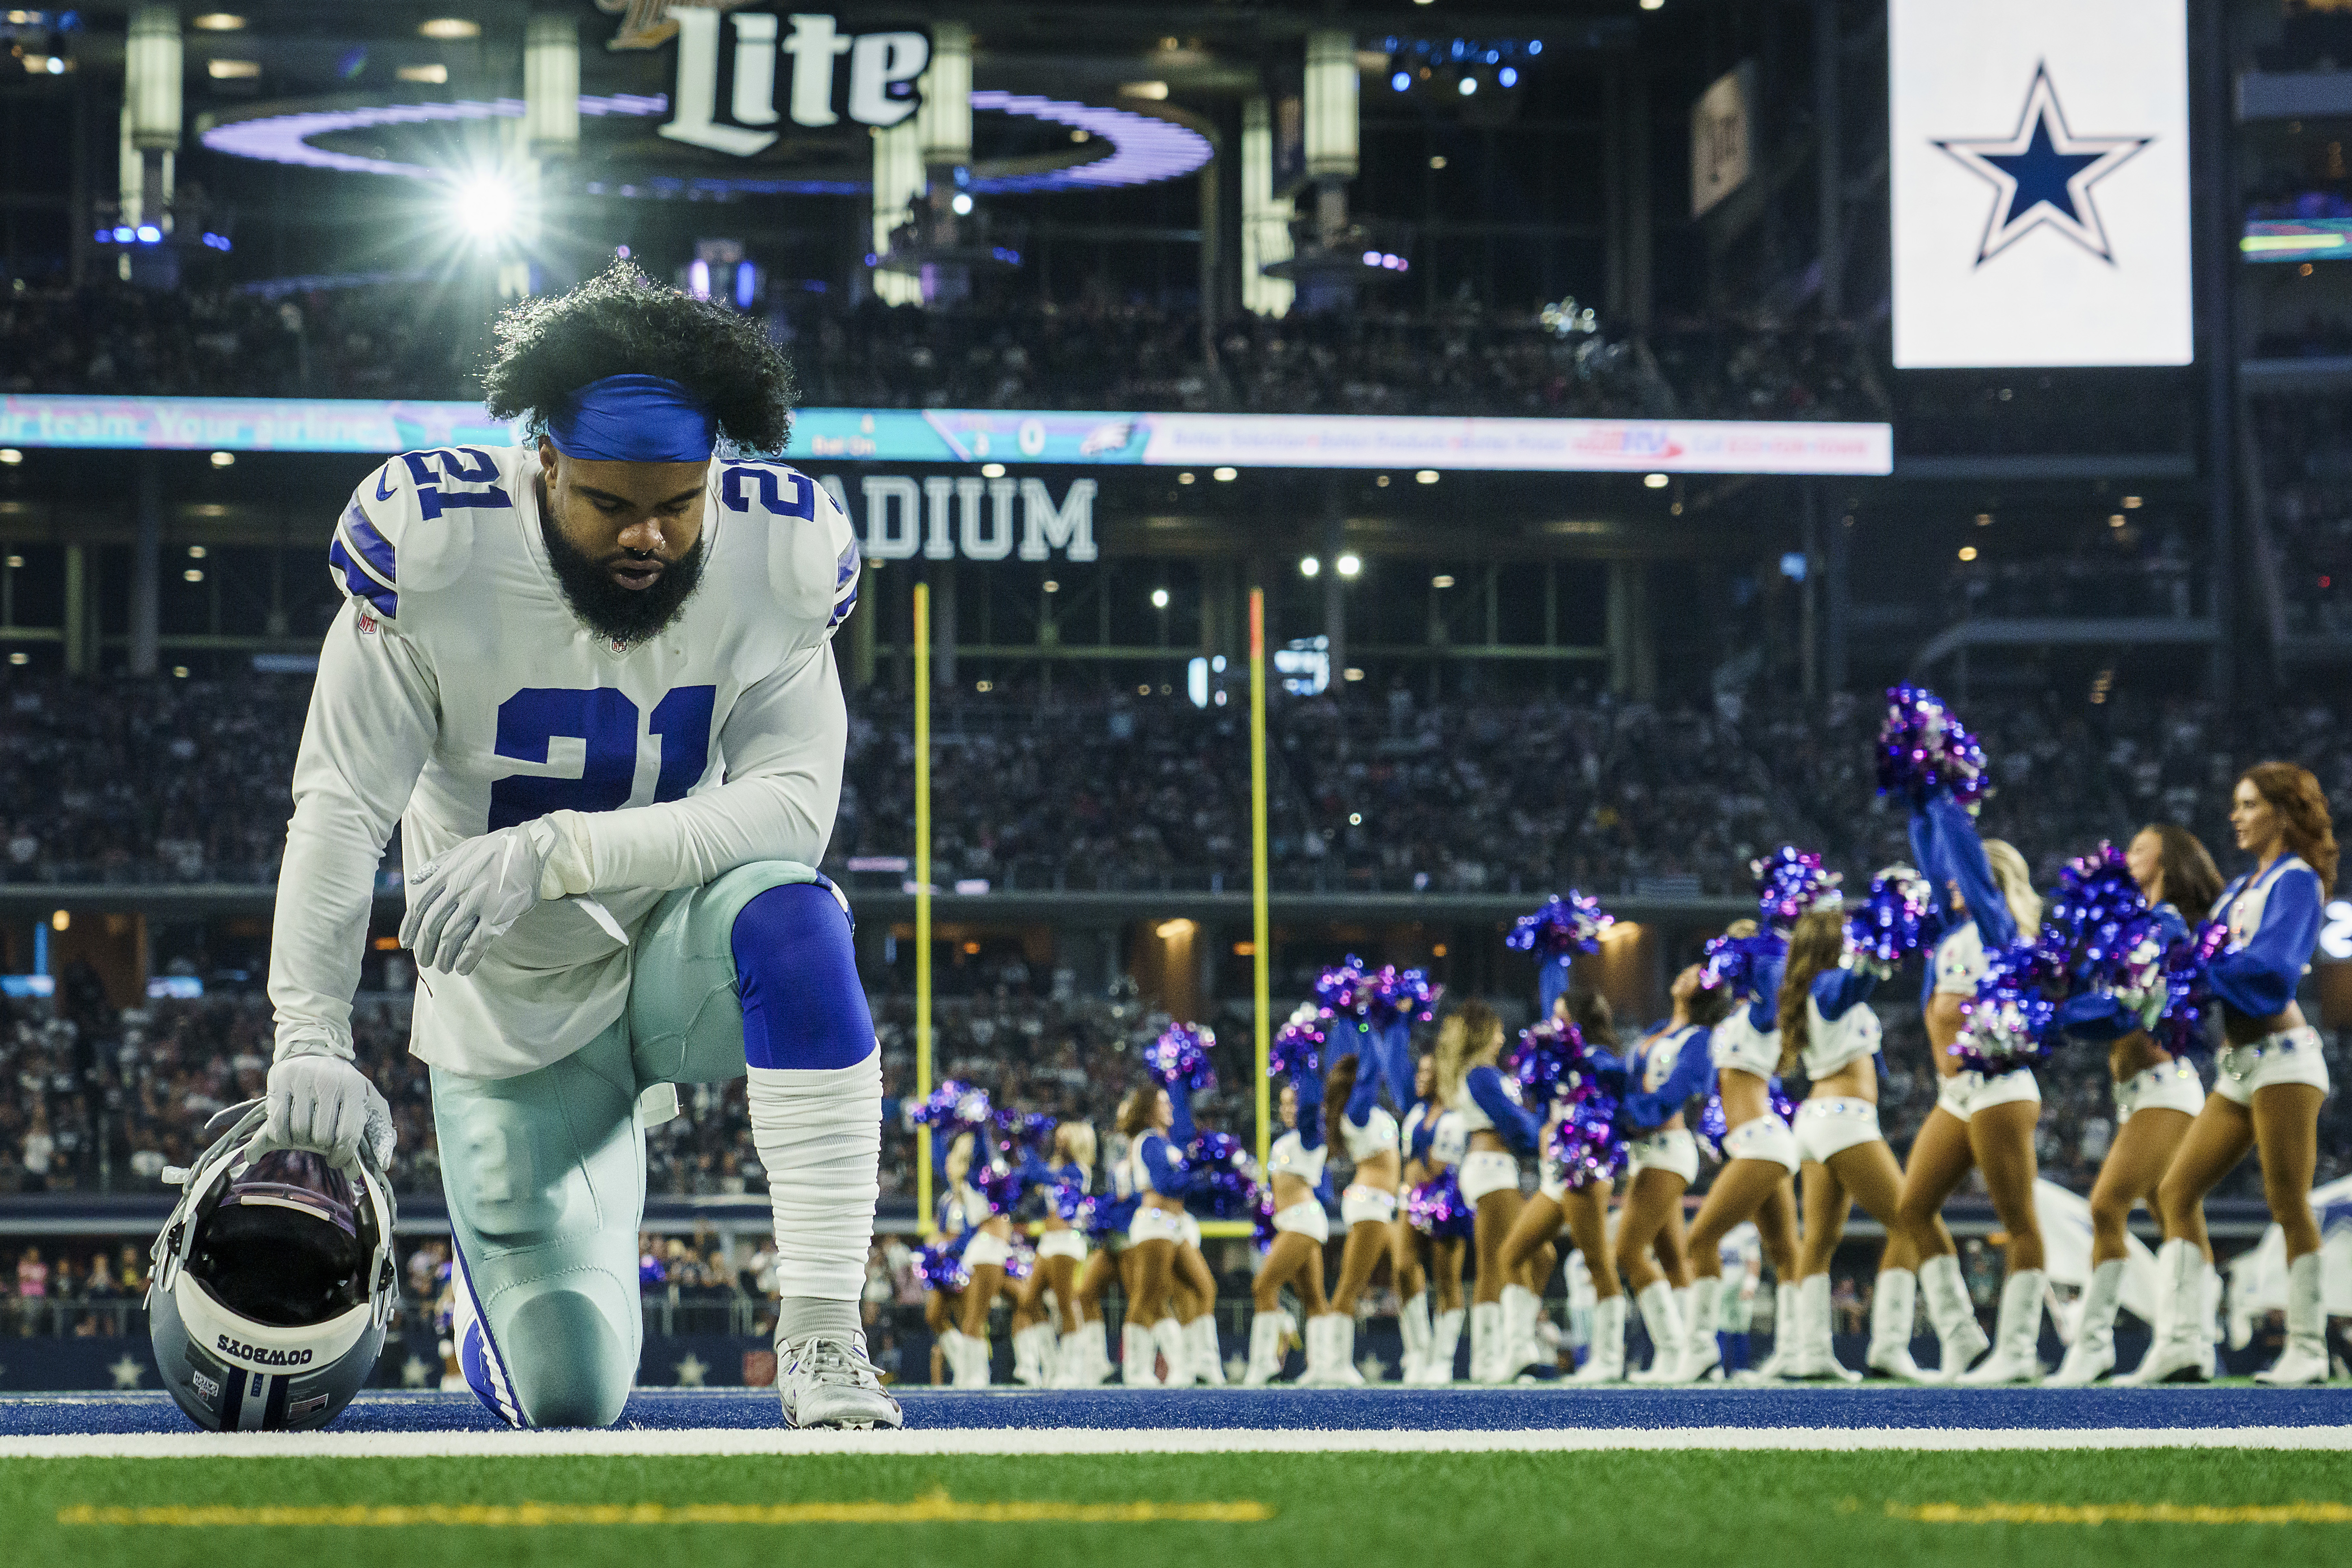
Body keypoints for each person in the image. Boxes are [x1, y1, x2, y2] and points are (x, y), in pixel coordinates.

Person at [256, 260, 896, 1429]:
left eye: (679, 502)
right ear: (543, 463)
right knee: (568, 1397)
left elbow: (793, 809)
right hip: (512, 1012)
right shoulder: (435, 545)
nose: (648, 535)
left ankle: (821, 1330)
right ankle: (493, 1285)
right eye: (610, 504)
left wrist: (559, 848)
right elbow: (343, 799)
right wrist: (310, 1030)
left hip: (673, 952)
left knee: (795, 913)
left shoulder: (784, 548)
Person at [2139, 764, 2336, 1385]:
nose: (2236, 815)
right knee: (2174, 1192)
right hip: (2236, 1067)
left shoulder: (2296, 881)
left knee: (2287, 1202)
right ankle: (2184, 1342)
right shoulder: (2234, 893)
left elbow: (2272, 975)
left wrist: (2194, 957)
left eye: (2249, 804)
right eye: (2236, 804)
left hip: (2283, 1060)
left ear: (2281, 813)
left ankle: (2308, 1347)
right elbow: (2204, 972)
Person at [2049, 826, 2221, 1385]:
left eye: (2140, 847)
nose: (2126, 854)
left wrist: (2059, 1013)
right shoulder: (2135, 923)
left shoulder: (2164, 922)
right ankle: (2191, 1342)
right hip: (2141, 1094)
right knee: (2177, 1212)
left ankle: (2093, 1345)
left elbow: (2125, 1008)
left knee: (2105, 1206)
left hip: (2165, 1089)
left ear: (2166, 860)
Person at [1889, 793, 2046, 1383]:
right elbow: (1935, 863)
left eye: (1964, 874)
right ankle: (1962, 1337)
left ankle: (2018, 1348)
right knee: (1912, 1208)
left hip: (2000, 1088)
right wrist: (1920, 800)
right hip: (1954, 1094)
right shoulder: (1953, 933)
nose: (1949, 881)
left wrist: (1948, 801)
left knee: (2018, 1220)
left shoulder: (1996, 928)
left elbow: (1964, 868)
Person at [1776, 904, 1903, 1381]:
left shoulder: (1810, 989)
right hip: (1843, 1120)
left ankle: (1812, 1353)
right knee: (1911, 1221)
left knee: (1819, 1242)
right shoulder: (1830, 987)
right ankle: (1889, 1346)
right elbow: (1858, 980)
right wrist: (1880, 940)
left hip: (1816, 1121)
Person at [1680, 926, 1803, 1383]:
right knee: (1785, 1250)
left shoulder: (1760, 1014)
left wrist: (1767, 948)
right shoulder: (1736, 1016)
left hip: (1761, 1143)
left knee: (1699, 1240)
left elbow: (1772, 991)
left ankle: (1699, 1352)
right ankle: (1795, 1351)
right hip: (1756, 1143)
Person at [1597, 964, 1726, 1381]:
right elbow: (1626, 1081)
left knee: (1628, 1251)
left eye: (1695, 974)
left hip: (1668, 1150)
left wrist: (1621, 1118)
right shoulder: (1657, 1030)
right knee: (1672, 1257)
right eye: (1686, 970)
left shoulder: (1700, 1039)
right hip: (1645, 1152)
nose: (1686, 974)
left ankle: (1676, 1352)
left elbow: (1673, 1097)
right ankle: (1701, 1357)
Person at [1498, 990, 1621, 1383]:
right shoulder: (1557, 1061)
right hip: (1556, 1173)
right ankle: (1519, 1353)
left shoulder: (1598, 1058)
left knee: (1597, 1262)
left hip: (1584, 1167)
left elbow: (1612, 1100)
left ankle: (1609, 1357)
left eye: (1560, 1014)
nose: (1552, 1023)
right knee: (1512, 1254)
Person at [1434, 1001, 1542, 1383]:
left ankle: (1498, 1355)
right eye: (1497, 1030)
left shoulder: (1485, 1073)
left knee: (1529, 1254)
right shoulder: (1481, 1074)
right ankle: (1509, 1353)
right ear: (1483, 1034)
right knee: (1506, 1259)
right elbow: (1511, 1121)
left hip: (1499, 1169)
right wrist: (1542, 1138)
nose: (1502, 1037)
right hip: (1490, 1168)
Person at [1247, 1069, 1337, 1384]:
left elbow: (1312, 1106)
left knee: (1263, 1286)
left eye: (1294, 1104)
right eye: (1284, 1104)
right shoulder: (1284, 1141)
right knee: (1313, 1297)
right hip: (1293, 1221)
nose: (1288, 1110)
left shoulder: (1311, 1136)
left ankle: (1263, 1364)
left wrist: (1306, 1065)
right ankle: (1323, 1367)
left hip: (1303, 1220)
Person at [1326, 1052, 1405, 1383]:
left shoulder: (1370, 1113)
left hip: (1382, 1204)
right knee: (1352, 1285)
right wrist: (1361, 1019)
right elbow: (1374, 1068)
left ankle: (1420, 1357)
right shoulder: (1356, 1114)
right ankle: (1335, 1364)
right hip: (1370, 1203)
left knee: (1405, 1273)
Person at [1116, 1079, 1198, 1387]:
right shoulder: (1149, 1140)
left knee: (1197, 1288)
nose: (1170, 1106)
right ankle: (1136, 1371)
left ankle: (1189, 1367)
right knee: (1148, 1297)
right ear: (1151, 1109)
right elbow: (1166, 1184)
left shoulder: (1165, 1141)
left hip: (1172, 1226)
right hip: (1155, 1224)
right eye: (1164, 1102)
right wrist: (1201, 1174)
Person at [1009, 1121, 1096, 1389]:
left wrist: (1026, 1144)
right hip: (1049, 1242)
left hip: (1067, 1242)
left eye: (1066, 1137)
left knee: (1066, 1303)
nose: (1060, 1142)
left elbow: (1039, 1174)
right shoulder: (1055, 1169)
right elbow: (1029, 1177)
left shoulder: (1079, 1171)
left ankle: (1073, 1370)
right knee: (1030, 1301)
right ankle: (1053, 1365)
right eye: (1058, 1137)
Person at [1401, 1057, 1470, 1383]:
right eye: (1420, 1069)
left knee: (1447, 1280)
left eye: (1429, 1071)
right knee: (1403, 1267)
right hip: (1412, 1198)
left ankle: (1443, 1359)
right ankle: (1420, 1350)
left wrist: (1419, 1172)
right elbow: (1409, 1160)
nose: (1420, 1076)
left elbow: (1440, 1166)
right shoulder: (1415, 1114)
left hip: (1444, 1201)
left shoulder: (1455, 1119)